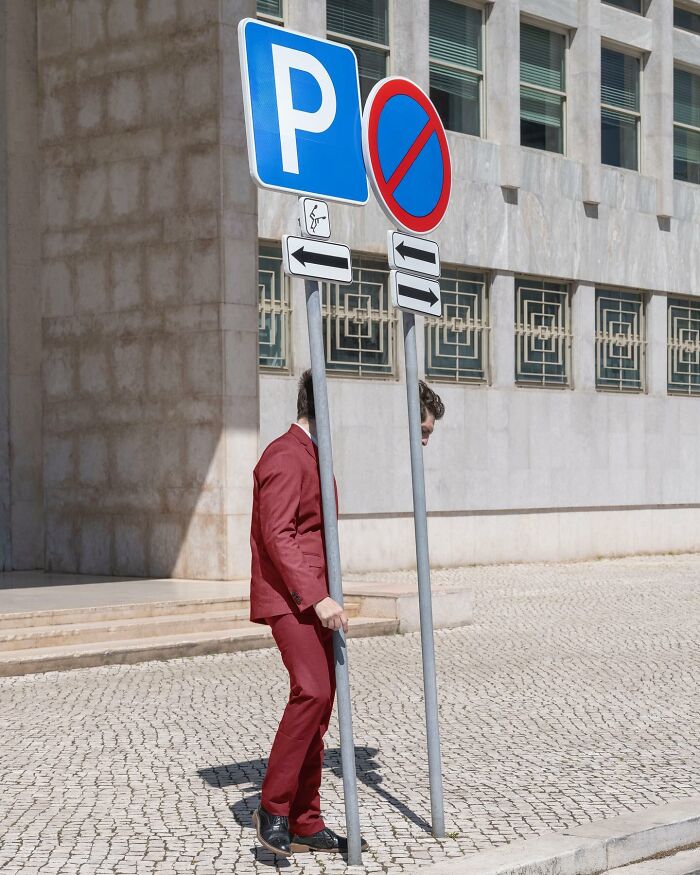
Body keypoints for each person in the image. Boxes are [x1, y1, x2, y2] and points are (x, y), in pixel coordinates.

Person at [249, 372, 444, 857]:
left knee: (320, 708)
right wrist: (317, 598)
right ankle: (272, 808)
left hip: (316, 599)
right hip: (291, 599)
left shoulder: (314, 455)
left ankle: (305, 819)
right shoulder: (284, 455)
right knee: (311, 692)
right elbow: (278, 536)